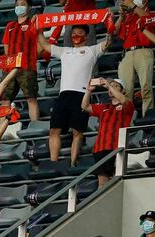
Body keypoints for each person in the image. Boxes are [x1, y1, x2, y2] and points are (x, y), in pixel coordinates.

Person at [37, 25, 111, 166]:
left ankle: (72, 163)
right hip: (64, 94)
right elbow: (45, 45)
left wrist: (110, 25)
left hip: (82, 95)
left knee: (77, 132)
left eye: (80, 33)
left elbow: (108, 42)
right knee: (54, 130)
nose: (76, 35)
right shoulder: (65, 51)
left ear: (87, 36)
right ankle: (54, 163)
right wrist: (38, 29)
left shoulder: (92, 50)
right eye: (74, 33)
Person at [81, 78, 134, 186]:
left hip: (116, 147)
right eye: (111, 86)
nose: (112, 88)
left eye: (116, 86)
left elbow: (124, 100)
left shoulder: (127, 105)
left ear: (123, 91)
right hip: (100, 148)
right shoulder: (104, 107)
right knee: (102, 182)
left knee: (116, 180)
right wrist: (88, 91)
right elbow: (85, 106)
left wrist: (108, 85)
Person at [1, 0, 40, 121]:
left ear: (29, 7)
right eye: (17, 5)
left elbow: (40, 45)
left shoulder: (34, 23)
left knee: (31, 98)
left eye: (23, 4)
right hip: (9, 68)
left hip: (27, 67)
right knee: (5, 100)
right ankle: (3, 127)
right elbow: (6, 48)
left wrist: (30, 58)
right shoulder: (10, 26)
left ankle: (35, 125)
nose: (19, 7)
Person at [115, 0, 154, 117]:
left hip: (144, 50)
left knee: (146, 88)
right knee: (125, 91)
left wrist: (132, 6)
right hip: (127, 53)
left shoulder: (148, 12)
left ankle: (148, 119)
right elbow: (115, 31)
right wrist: (121, 16)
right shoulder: (128, 16)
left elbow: (147, 18)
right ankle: (127, 122)